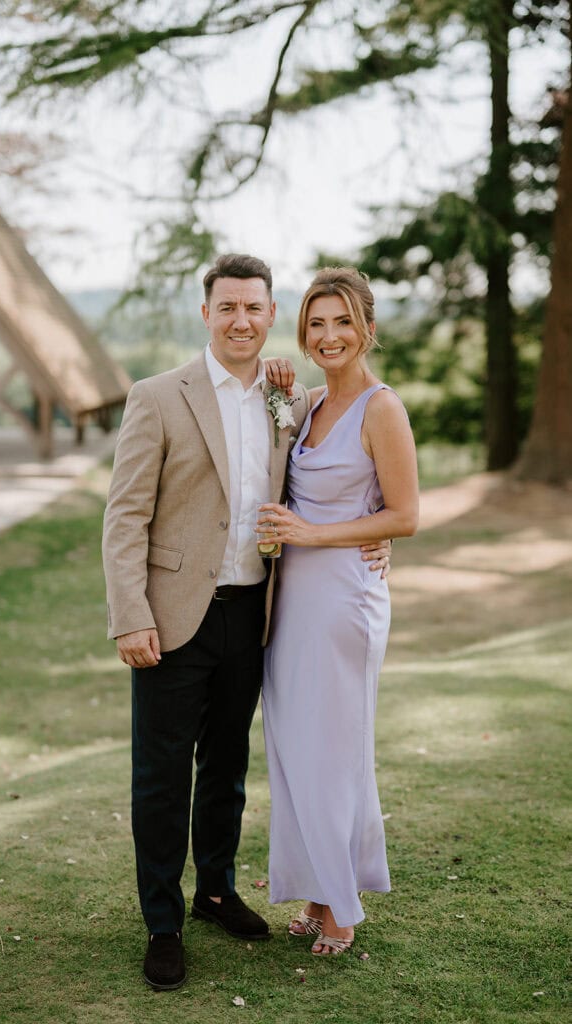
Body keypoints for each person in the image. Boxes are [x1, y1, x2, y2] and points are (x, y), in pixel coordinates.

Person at [102, 254, 391, 991]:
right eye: (227, 307)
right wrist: (129, 615)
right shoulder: (158, 396)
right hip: (170, 619)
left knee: (227, 768)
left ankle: (217, 892)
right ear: (207, 314)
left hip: (254, 614)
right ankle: (162, 923)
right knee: (161, 776)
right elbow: (125, 515)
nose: (241, 320)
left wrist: (371, 529)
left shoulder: (285, 400)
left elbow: (328, 477)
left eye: (254, 309)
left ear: (269, 315)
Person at [258, 267, 418, 956]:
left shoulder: (381, 408)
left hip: (343, 598)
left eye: (342, 322)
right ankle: (319, 891)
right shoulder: (309, 405)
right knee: (297, 748)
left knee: (335, 749)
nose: (328, 336)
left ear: (367, 330)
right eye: (316, 324)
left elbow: (403, 514)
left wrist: (314, 535)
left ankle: (342, 907)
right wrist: (275, 390)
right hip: (292, 598)